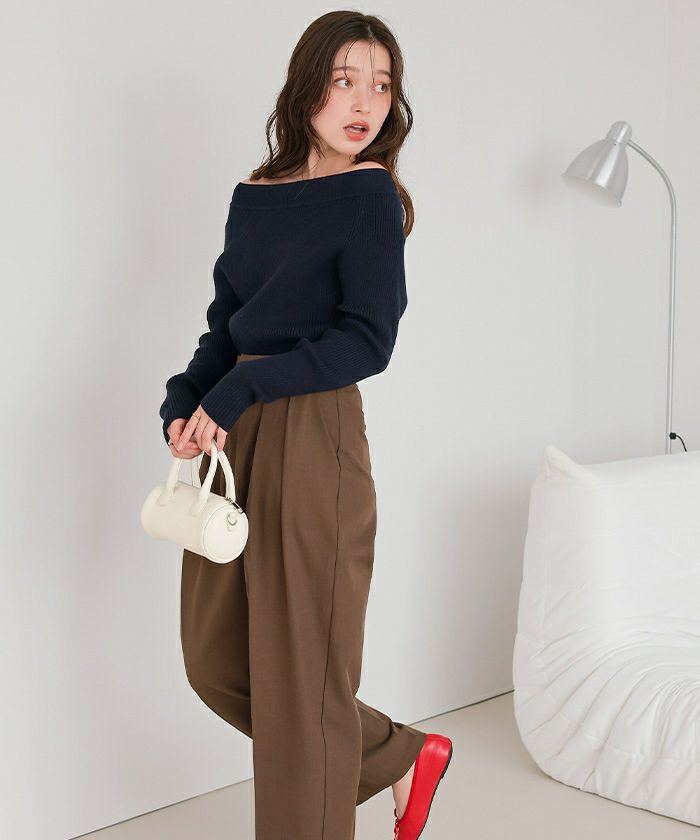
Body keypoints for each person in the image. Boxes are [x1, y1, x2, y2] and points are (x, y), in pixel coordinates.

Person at [158, 11, 452, 840]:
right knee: (215, 661)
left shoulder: (369, 196)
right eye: (344, 80)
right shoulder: (255, 196)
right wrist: (186, 398)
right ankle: (400, 754)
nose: (364, 102)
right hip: (234, 436)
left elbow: (368, 340)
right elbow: (227, 327)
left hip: (315, 433)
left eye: (382, 85)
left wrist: (241, 391)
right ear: (306, 86)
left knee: (301, 681)